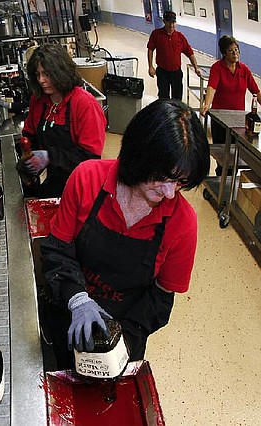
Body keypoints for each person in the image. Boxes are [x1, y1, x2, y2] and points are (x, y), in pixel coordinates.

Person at [40, 99, 209, 370]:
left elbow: (160, 300)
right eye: (163, 178)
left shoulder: (183, 223)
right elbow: (57, 249)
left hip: (125, 333)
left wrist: (121, 345)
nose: (170, 193)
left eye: (180, 183)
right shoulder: (87, 179)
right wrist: (78, 299)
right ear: (138, 157)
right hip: (67, 313)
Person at [20, 43, 106, 198]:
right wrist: (28, 157)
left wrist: (50, 156)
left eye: (46, 74)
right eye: (37, 74)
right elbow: (29, 133)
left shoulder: (85, 104)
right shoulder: (38, 99)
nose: (41, 80)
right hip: (47, 183)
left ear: (61, 72)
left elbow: (90, 157)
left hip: (77, 187)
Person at [199, 35, 261, 175]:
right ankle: (220, 181)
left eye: (237, 50)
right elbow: (212, 87)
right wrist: (207, 104)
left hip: (238, 121)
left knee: (235, 155)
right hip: (220, 119)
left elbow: (256, 91)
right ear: (224, 53)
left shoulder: (244, 70)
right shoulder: (217, 68)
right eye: (231, 51)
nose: (235, 53)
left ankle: (230, 184)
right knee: (222, 155)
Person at [147, 11, 202, 100]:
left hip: (176, 73)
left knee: (177, 99)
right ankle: (164, 113)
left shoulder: (180, 37)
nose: (171, 25)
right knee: (163, 98)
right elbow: (150, 49)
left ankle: (176, 114)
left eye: (173, 22)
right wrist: (150, 66)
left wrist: (196, 68)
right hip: (162, 72)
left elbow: (190, 53)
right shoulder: (156, 34)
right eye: (169, 22)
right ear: (164, 21)